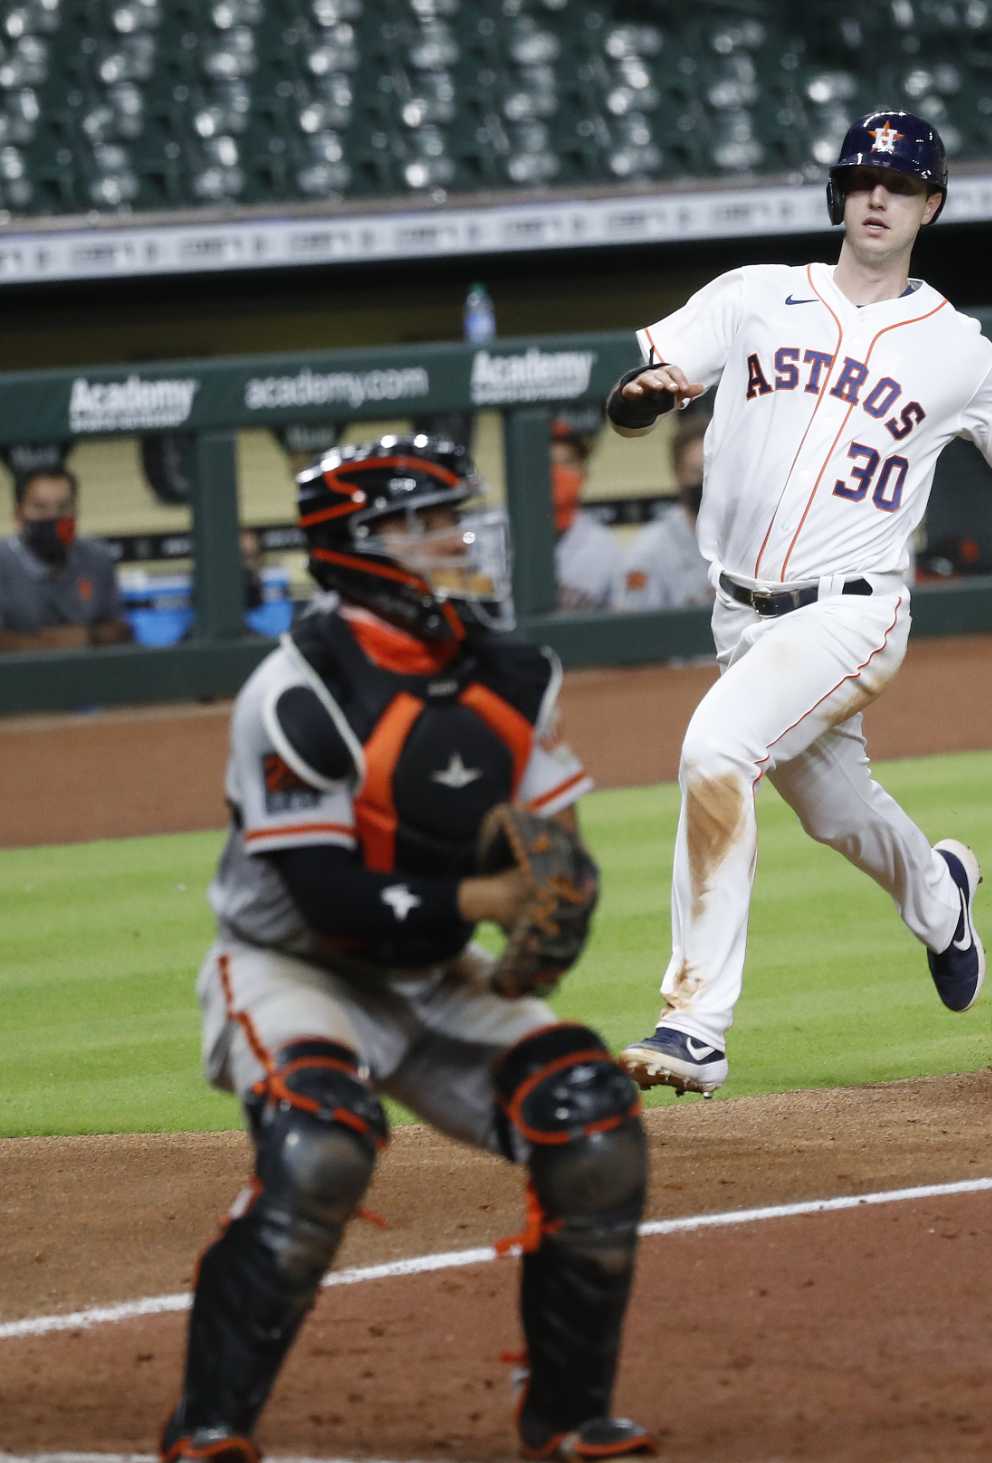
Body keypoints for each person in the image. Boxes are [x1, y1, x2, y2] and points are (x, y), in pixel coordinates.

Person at [604, 109, 992, 1096]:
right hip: (739, 613)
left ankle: (694, 1022)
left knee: (714, 751)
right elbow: (652, 380)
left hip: (853, 612)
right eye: (860, 180)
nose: (876, 197)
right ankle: (942, 896)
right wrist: (641, 397)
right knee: (835, 811)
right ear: (837, 196)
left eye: (897, 185)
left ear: (929, 205)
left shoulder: (959, 350)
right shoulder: (754, 297)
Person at [160, 435, 650, 1463]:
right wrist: (487, 893)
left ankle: (567, 1413)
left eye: (451, 518)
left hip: (432, 972)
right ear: (363, 544)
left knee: (589, 1119)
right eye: (429, 522)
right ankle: (210, 1421)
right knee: (321, 1139)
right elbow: (327, 892)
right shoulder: (297, 689)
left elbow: (547, 836)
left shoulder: (509, 671)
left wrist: (559, 896)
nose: (456, 540)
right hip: (292, 965)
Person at [0, 465, 133, 651]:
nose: (53, 516)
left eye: (63, 507)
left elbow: (121, 631)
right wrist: (50, 645)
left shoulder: (96, 557)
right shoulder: (3, 562)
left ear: (76, 512)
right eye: (40, 507)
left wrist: (89, 636)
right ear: (18, 515)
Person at [619, 408, 715, 610]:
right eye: (697, 472)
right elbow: (636, 628)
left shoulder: (754, 535)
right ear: (678, 474)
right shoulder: (649, 549)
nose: (707, 481)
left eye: (714, 471)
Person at [550, 422, 626, 611]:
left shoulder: (604, 545)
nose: (558, 473)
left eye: (568, 463)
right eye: (549, 464)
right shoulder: (502, 536)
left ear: (584, 472)